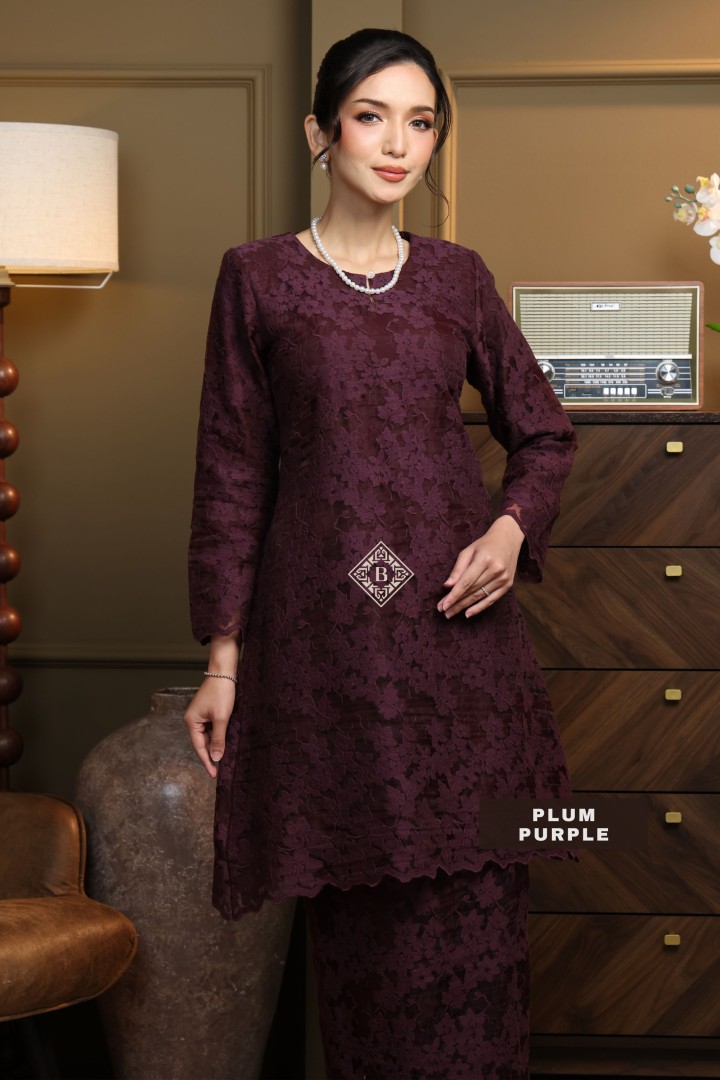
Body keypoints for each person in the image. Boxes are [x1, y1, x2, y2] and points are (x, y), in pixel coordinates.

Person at [184, 27, 577, 1080]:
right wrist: (223, 661)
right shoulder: (259, 279)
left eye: (421, 122)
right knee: (369, 949)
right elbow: (232, 473)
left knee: (481, 926)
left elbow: (544, 433)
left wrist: (509, 529)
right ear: (320, 132)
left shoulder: (457, 278)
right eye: (371, 116)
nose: (399, 144)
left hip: (461, 651)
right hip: (332, 662)